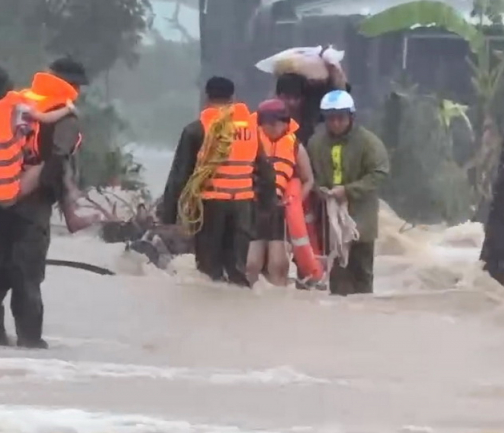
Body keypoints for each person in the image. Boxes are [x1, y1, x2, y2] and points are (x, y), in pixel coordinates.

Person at [0, 57, 91, 348]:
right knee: (27, 274)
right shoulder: (65, 115)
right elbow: (57, 161)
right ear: (73, 85)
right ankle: (30, 342)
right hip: (32, 204)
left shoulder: (19, 100)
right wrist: (66, 205)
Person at [158, 77, 276, 286]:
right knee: (237, 271)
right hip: (243, 207)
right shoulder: (251, 129)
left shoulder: (197, 129)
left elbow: (180, 175)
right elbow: (266, 172)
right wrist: (266, 208)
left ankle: (211, 306)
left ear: (207, 98)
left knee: (209, 273)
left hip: (210, 207)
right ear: (233, 98)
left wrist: (168, 215)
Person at [306, 90, 389, 296]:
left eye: (340, 118)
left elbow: (379, 173)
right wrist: (320, 190)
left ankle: (364, 313)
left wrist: (348, 191)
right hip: (330, 220)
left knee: (362, 276)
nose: (335, 123)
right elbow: (309, 175)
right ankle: (340, 314)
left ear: (351, 116)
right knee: (337, 276)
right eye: (330, 118)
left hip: (361, 218)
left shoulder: (369, 142)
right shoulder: (315, 143)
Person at [245, 98, 314, 287]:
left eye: (277, 123)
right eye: (267, 123)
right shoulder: (251, 142)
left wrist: (295, 202)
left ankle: (279, 298)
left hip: (279, 210)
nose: (272, 127)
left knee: (278, 264)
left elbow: (308, 179)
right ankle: (247, 297)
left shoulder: (295, 146)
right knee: (251, 263)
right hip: (255, 206)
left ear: (285, 122)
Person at [276, 61, 349, 146]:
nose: (292, 103)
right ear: (278, 97)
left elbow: (338, 99)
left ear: (303, 98)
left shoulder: (313, 114)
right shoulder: (270, 117)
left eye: (296, 98)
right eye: (287, 98)